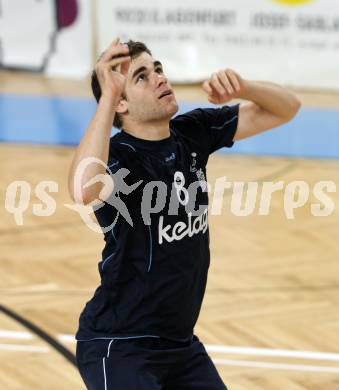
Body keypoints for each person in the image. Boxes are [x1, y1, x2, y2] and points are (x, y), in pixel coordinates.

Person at [68, 37, 301, 389]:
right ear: (122, 105)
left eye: (158, 68)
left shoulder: (192, 133)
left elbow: (288, 108)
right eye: (142, 77)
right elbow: (82, 189)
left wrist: (244, 86)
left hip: (180, 346)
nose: (160, 77)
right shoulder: (118, 158)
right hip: (119, 346)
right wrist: (107, 97)